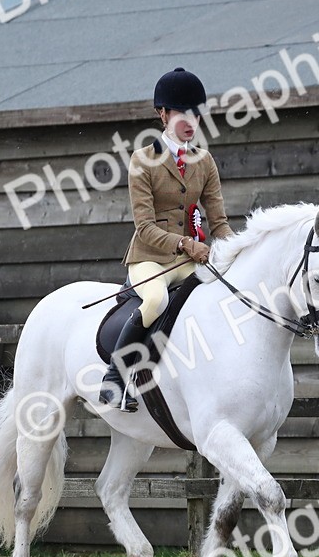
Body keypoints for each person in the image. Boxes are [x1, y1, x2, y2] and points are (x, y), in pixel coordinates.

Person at [98, 67, 234, 412]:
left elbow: (218, 222)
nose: (192, 121)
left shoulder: (204, 162)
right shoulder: (142, 160)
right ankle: (115, 377)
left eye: (197, 113)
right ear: (163, 114)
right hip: (149, 258)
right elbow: (144, 227)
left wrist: (239, 251)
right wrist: (187, 244)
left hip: (188, 262)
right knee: (156, 301)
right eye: (183, 113)